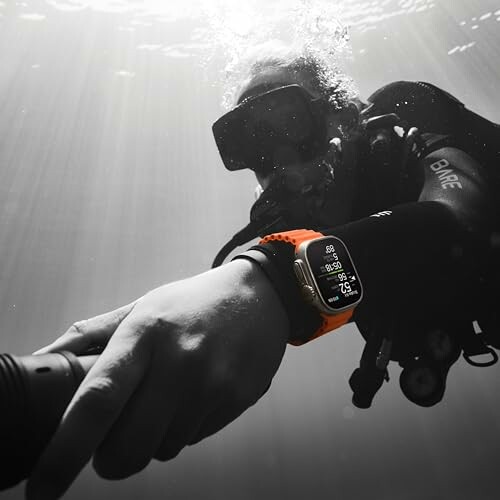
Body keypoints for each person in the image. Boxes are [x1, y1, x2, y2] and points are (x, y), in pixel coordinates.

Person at [25, 50, 499, 499]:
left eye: (289, 121)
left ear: (344, 117)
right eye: (251, 142)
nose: (280, 162)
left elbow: (461, 220)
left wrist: (271, 284)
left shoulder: (410, 116)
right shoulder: (297, 225)